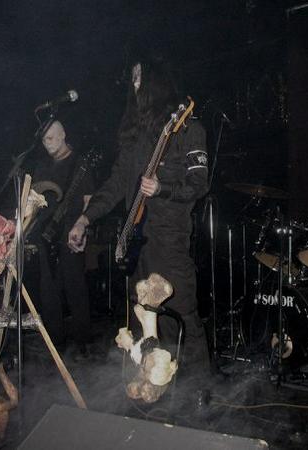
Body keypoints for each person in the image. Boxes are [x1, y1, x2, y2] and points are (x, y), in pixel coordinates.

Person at [67, 59, 211, 379]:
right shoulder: (135, 137)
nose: (133, 85)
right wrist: (85, 219)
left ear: (156, 82)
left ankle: (199, 392)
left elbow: (199, 184)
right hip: (136, 242)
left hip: (170, 240)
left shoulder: (187, 128)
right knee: (141, 321)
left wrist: (162, 188)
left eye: (139, 77)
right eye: (132, 78)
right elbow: (115, 183)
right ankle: (146, 390)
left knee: (180, 315)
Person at [31, 120, 94, 356]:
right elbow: (33, 198)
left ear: (63, 134)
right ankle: (54, 342)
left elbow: (89, 199)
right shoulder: (42, 165)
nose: (47, 143)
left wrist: (84, 229)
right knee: (48, 287)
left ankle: (83, 342)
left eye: (51, 138)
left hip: (71, 229)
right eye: (44, 139)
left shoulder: (80, 163)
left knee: (74, 283)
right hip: (44, 231)